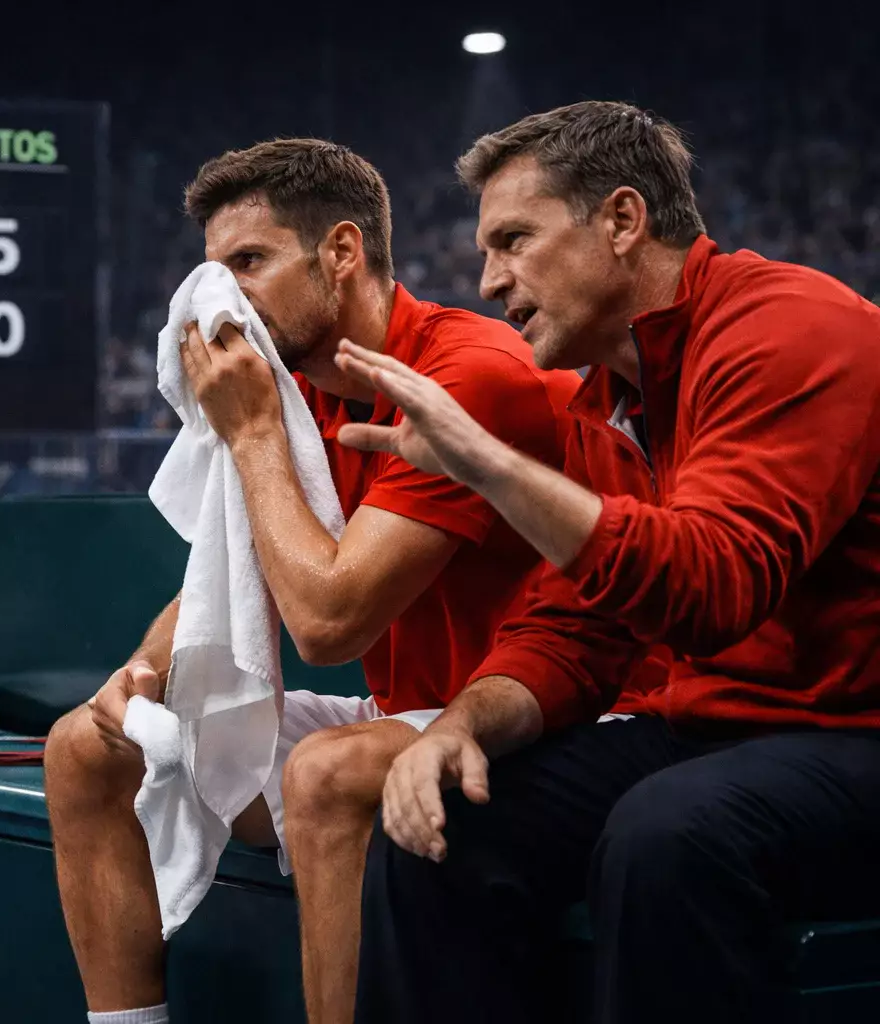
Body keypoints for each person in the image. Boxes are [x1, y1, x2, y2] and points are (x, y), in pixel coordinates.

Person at [336, 101, 880, 1024]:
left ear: (623, 222)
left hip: (855, 734)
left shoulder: (790, 328)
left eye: (513, 240)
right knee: (445, 826)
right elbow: (574, 627)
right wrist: (461, 726)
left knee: (669, 835)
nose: (489, 278)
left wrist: (489, 464)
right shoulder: (610, 396)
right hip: (724, 730)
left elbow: (713, 590)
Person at [43, 138, 587, 1024]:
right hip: (407, 711)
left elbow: (332, 626)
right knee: (86, 747)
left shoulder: (466, 377)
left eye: (248, 264)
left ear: (340, 253)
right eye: (212, 271)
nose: (220, 301)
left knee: (327, 773)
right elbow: (229, 582)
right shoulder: (308, 396)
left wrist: (253, 435)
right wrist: (143, 674)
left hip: (546, 715)